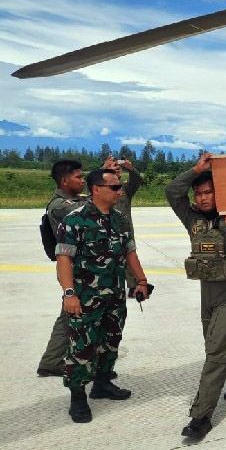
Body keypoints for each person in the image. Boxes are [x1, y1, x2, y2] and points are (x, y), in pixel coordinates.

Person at [166, 153, 226, 440]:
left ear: (220, 193)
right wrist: (196, 170)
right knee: (218, 342)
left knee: (215, 351)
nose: (204, 198)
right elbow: (172, 192)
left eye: (209, 192)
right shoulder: (191, 217)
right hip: (208, 290)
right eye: (199, 194)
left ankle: (200, 416)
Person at [56, 168, 150, 423]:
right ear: (96, 189)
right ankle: (77, 398)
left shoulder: (119, 219)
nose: (120, 191)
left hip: (115, 296)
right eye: (115, 187)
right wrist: (69, 294)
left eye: (120, 187)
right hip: (85, 298)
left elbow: (130, 252)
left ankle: (102, 383)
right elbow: (63, 259)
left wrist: (141, 280)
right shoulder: (75, 220)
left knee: (111, 341)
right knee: (82, 347)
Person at [37, 159, 87, 377]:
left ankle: (53, 360)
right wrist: (103, 181)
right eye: (79, 177)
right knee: (70, 314)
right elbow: (87, 212)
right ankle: (53, 360)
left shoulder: (73, 200)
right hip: (73, 267)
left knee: (75, 314)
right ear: (65, 181)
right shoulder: (59, 206)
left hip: (82, 266)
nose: (83, 181)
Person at [102, 155, 143, 292]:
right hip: (105, 228)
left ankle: (133, 286)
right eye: (114, 168)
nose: (117, 171)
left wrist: (131, 169)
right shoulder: (100, 187)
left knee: (130, 256)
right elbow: (90, 190)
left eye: (119, 168)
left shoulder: (125, 188)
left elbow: (137, 181)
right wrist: (103, 170)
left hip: (124, 229)